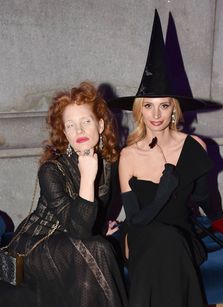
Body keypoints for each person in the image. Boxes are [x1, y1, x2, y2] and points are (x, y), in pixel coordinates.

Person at [110, 10, 220, 307]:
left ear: (174, 109)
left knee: (170, 242)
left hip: (180, 234)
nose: (156, 115)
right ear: (139, 110)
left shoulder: (195, 146)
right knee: (161, 240)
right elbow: (135, 218)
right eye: (149, 106)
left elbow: (204, 201)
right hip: (140, 236)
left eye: (164, 106)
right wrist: (165, 191)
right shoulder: (129, 154)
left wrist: (216, 215)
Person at [0, 81, 128, 307]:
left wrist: (99, 227)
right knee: (98, 248)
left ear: (100, 125)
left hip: (74, 242)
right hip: (39, 243)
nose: (78, 131)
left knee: (98, 247)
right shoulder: (51, 169)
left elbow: (97, 215)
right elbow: (78, 229)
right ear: (64, 132)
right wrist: (87, 178)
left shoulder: (110, 163)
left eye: (85, 122)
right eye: (70, 125)